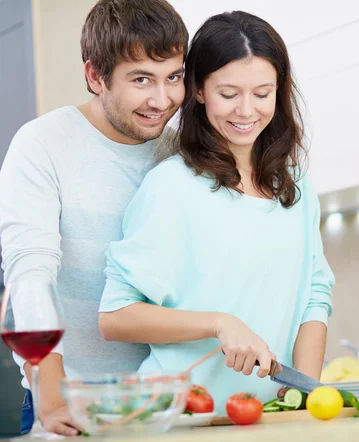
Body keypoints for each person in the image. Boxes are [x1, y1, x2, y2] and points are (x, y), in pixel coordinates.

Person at [98, 10, 335, 412]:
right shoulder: (172, 186)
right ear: (199, 91)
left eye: (262, 93)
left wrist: (304, 391)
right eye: (229, 94)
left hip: (271, 417)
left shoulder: (293, 183)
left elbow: (315, 293)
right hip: (180, 417)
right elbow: (116, 316)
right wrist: (219, 323)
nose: (246, 111)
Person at [0, 0, 187, 435]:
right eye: (141, 79)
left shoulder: (178, 154)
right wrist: (51, 388)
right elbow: (31, 272)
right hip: (69, 402)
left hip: (164, 405)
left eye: (173, 77)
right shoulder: (43, 143)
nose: (162, 100)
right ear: (94, 77)